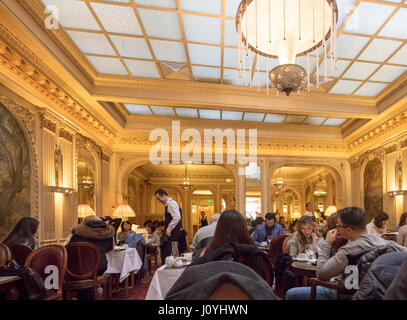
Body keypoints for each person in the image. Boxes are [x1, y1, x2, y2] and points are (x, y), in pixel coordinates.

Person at [285, 207, 407, 300]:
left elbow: (321, 274)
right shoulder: (385, 243)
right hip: (378, 293)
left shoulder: (348, 251)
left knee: (291, 294)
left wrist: (327, 243)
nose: (337, 228)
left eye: (338, 225)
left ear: (348, 230)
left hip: (346, 294)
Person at [154, 189, 183, 263]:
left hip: (173, 232)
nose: (159, 201)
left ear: (164, 195)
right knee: (167, 252)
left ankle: (168, 271)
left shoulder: (171, 203)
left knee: (167, 253)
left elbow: (177, 217)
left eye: (159, 198)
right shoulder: (169, 204)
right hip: (173, 232)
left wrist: (168, 230)